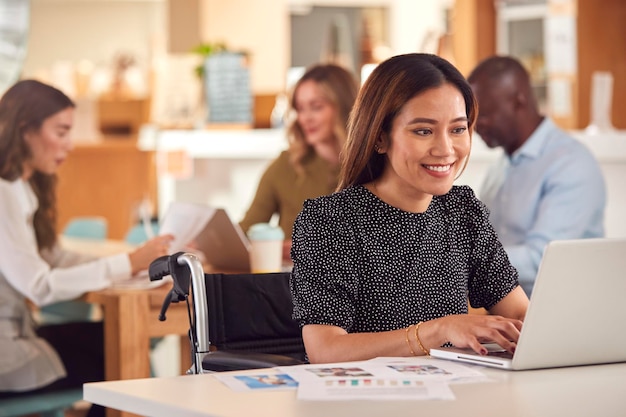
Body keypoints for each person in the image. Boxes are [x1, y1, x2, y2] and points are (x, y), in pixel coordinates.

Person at [290, 53, 529, 364]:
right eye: (423, 131)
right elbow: (325, 350)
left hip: (451, 397)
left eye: (457, 129)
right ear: (379, 138)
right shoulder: (330, 220)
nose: (445, 149)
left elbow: (521, 314)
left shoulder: (461, 210)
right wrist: (438, 331)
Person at [0, 79, 173, 417]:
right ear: (25, 130)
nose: (69, 143)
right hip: (7, 355)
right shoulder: (4, 194)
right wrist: (126, 262)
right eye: (61, 131)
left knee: (111, 344)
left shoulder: (19, 188)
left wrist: (132, 265)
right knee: (120, 353)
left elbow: (50, 257)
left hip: (17, 339)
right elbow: (39, 285)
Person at [467, 56, 606, 297]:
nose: (476, 125)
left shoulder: (570, 164)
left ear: (518, 101)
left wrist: (459, 261)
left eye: (485, 114)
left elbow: (542, 258)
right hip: (505, 312)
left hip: (559, 314)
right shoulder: (500, 167)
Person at [239, 63, 359, 260]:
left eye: (316, 107)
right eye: (301, 109)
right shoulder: (285, 164)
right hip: (288, 284)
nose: (305, 118)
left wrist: (308, 249)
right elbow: (247, 230)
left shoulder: (373, 168)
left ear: (346, 107)